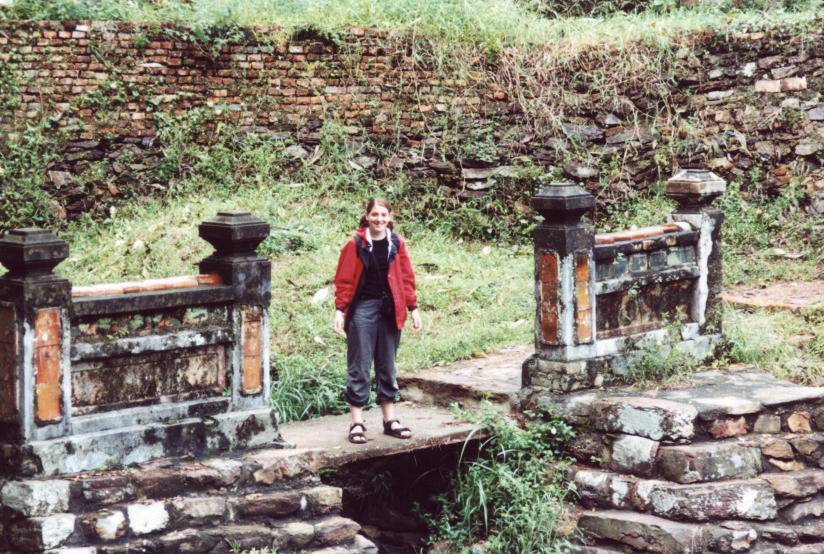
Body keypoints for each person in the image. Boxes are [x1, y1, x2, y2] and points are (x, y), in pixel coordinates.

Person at [333, 198, 422, 444]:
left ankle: (389, 420)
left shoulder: (397, 242)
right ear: (367, 216)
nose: (379, 219)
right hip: (363, 308)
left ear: (389, 218)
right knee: (359, 364)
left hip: (390, 307)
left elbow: (406, 277)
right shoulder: (355, 244)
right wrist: (340, 310)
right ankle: (357, 423)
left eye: (383, 215)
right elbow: (344, 280)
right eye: (375, 215)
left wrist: (413, 307)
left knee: (387, 364)